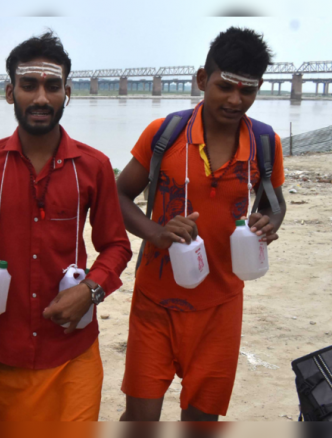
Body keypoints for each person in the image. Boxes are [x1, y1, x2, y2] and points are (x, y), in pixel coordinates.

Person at [0, 31, 132, 421]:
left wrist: (91, 289)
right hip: (5, 351)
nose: (41, 98)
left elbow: (116, 245)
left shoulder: (93, 166)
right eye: (29, 85)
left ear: (67, 91)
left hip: (73, 351)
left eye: (51, 86)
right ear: (10, 92)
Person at [117, 27, 287, 421]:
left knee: (202, 420)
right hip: (154, 301)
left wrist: (269, 222)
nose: (235, 99)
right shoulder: (164, 134)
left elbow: (275, 204)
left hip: (222, 303)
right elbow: (118, 194)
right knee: (140, 417)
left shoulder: (265, 142)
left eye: (247, 90)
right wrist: (155, 232)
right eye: (224, 86)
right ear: (201, 79)